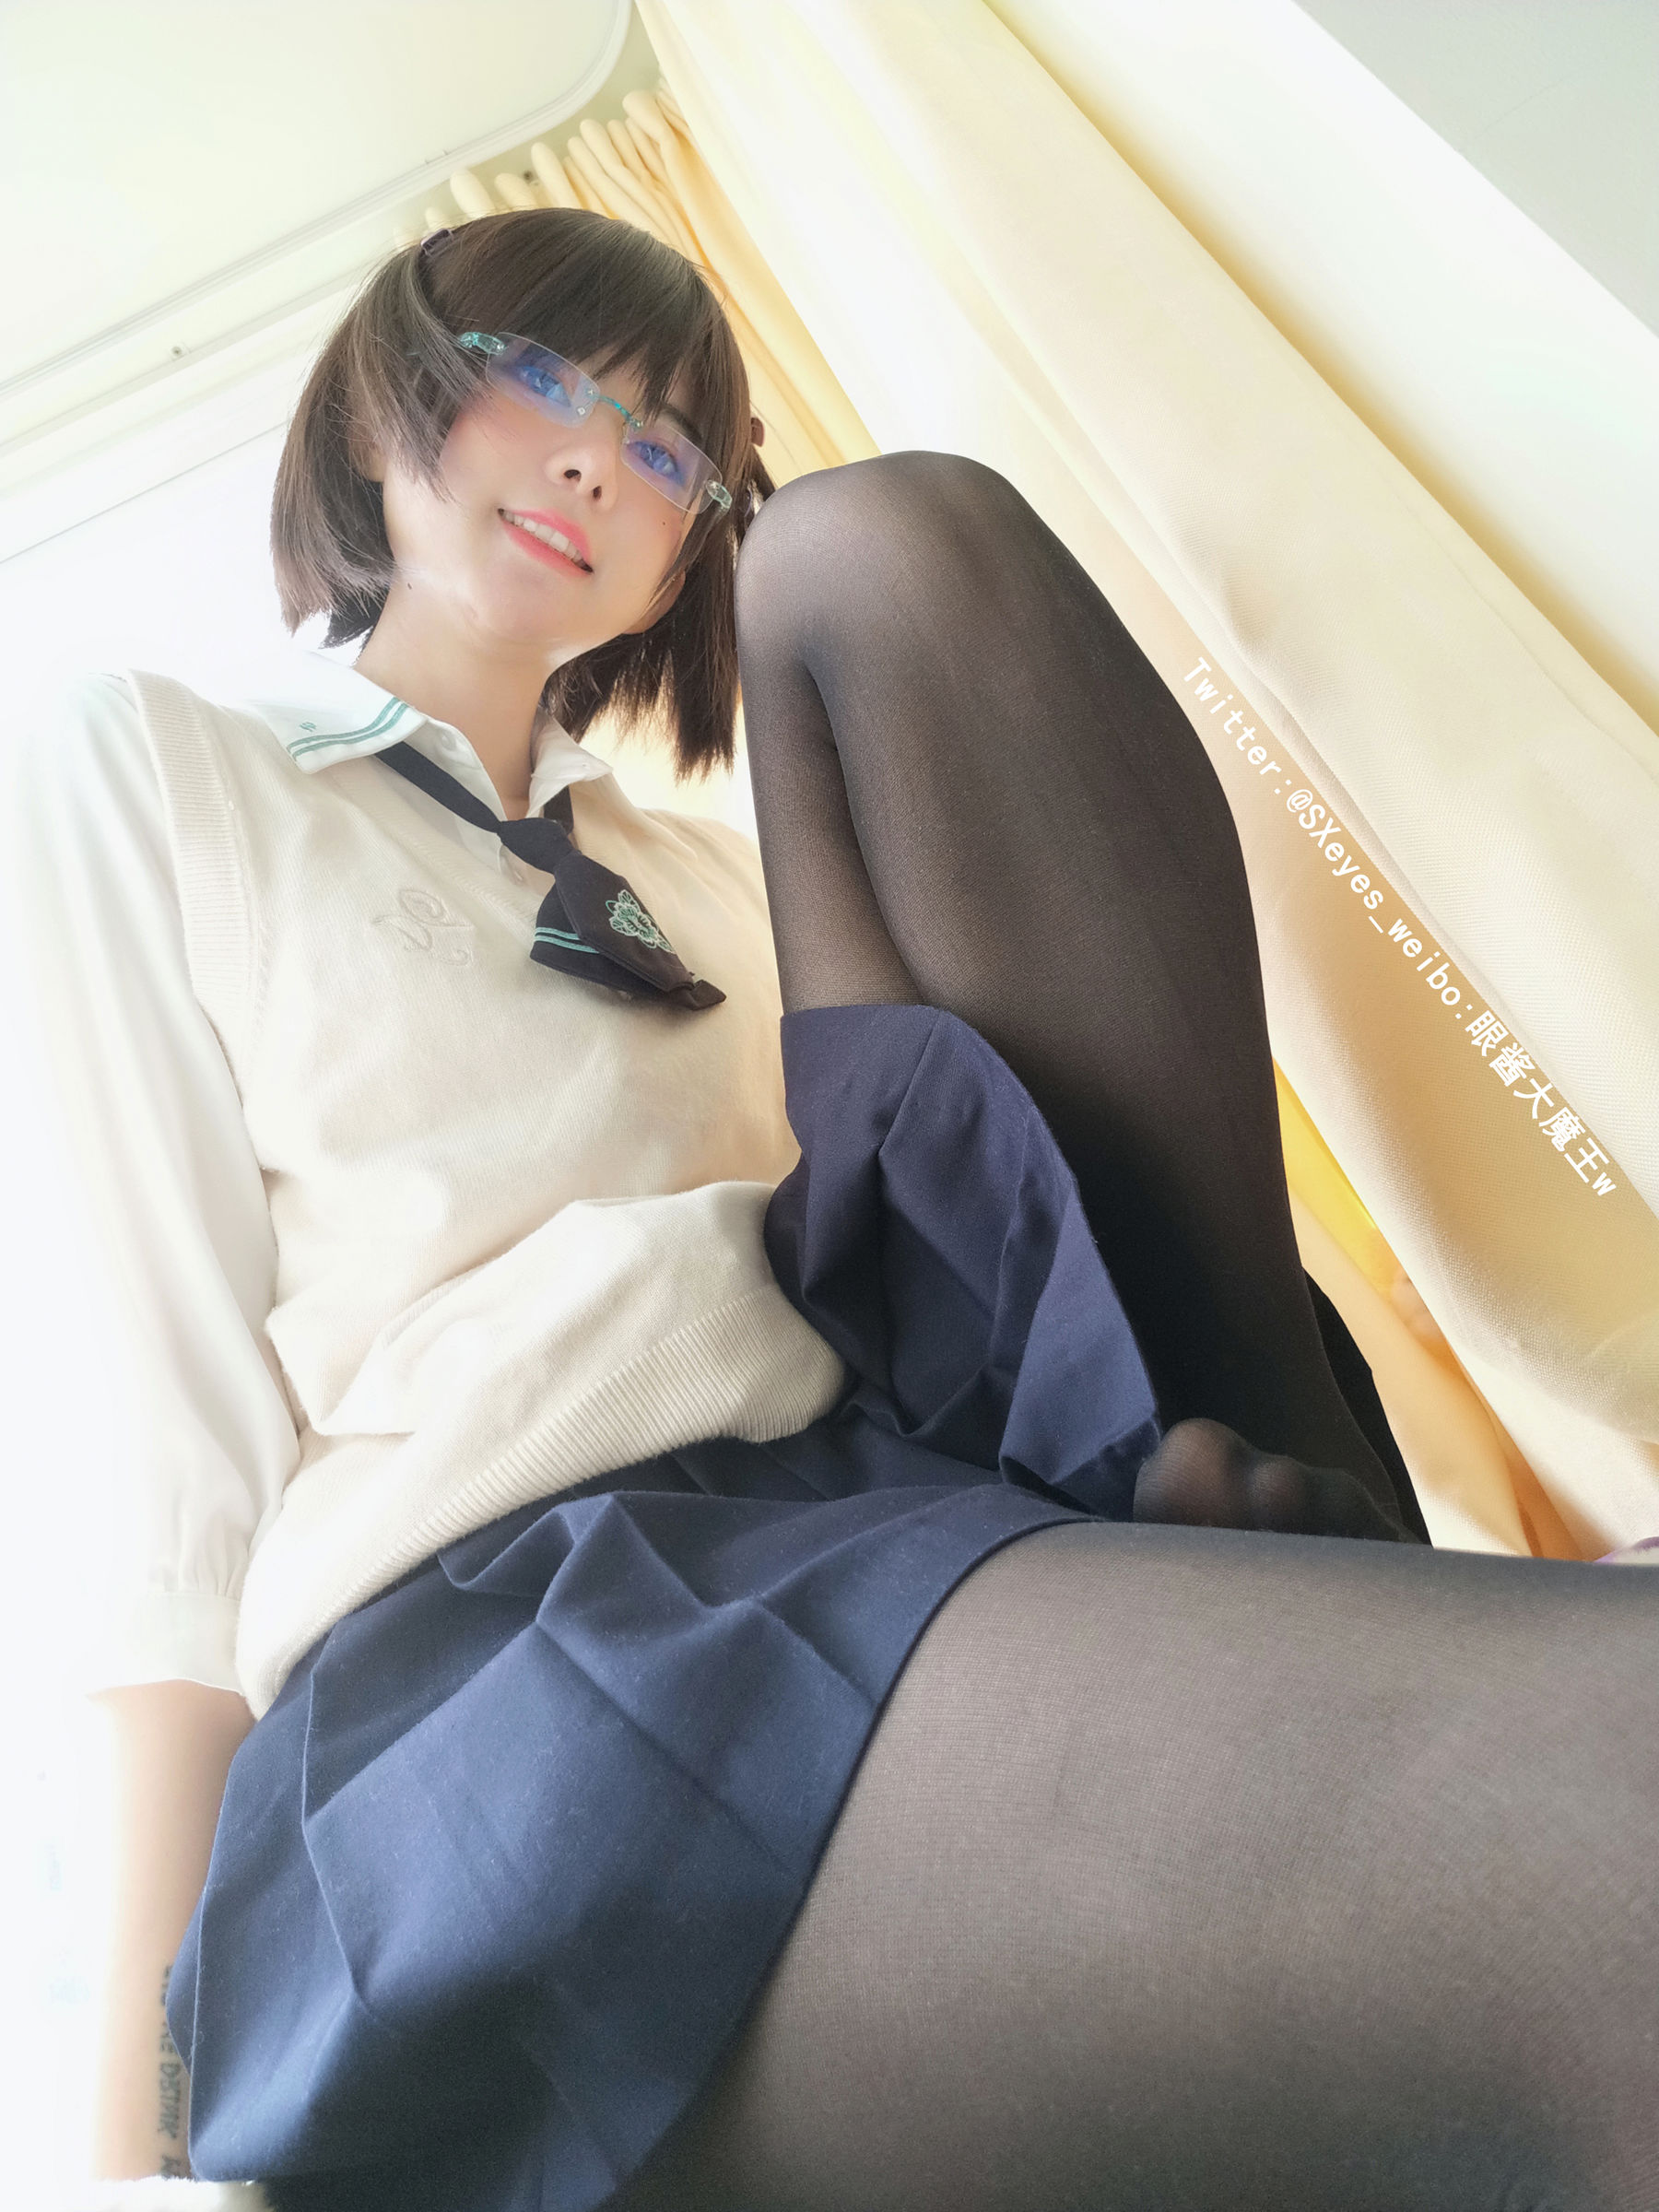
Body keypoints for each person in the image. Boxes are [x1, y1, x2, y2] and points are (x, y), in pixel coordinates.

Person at [22, 209, 1654, 2212]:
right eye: (541, 376)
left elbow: (934, 1184)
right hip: (527, 1634)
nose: (598, 459)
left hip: (903, 1479)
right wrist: (130, 2140)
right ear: (383, 403)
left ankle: (1243, 1453)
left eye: (666, 447)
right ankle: (1277, 1512)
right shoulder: (161, 772)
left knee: (875, 549)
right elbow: (169, 1471)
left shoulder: (720, 884)